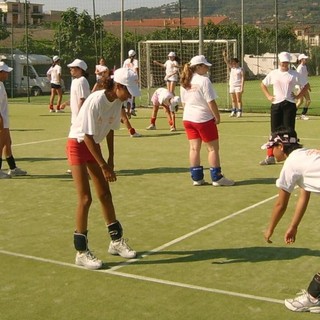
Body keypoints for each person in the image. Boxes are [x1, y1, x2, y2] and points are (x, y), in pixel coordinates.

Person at [67, 67, 140, 270]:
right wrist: (103, 165)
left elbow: (109, 131)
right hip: (78, 144)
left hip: (93, 146)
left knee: (105, 195)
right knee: (85, 198)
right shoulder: (96, 100)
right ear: (118, 86)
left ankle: (116, 242)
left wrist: (111, 159)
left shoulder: (117, 102)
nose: (130, 95)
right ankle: (81, 252)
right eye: (128, 90)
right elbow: (87, 137)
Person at [262, 128, 320, 312]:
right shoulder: (305, 156)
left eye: (272, 147)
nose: (271, 152)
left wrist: (269, 228)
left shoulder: (292, 163)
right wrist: (293, 226)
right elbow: (304, 194)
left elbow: (281, 204)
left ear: (281, 146)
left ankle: (313, 297)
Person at [180, 55, 234, 187]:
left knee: (194, 148)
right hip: (203, 118)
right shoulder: (204, 80)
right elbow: (211, 101)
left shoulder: (185, 80)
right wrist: (217, 116)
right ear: (198, 67)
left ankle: (197, 178)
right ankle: (217, 177)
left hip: (188, 118)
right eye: (205, 66)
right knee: (212, 149)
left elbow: (183, 102)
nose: (207, 68)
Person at [259, 51, 309, 165]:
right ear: (279, 62)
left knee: (290, 131)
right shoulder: (273, 73)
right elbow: (263, 84)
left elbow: (305, 85)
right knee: (274, 131)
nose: (284, 64)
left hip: (289, 105)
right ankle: (270, 156)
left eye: (286, 62)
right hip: (276, 104)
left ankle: (291, 156)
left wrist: (298, 96)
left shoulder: (294, 74)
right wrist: (268, 96)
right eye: (283, 62)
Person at [0, 61, 27, 179]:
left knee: (7, 143)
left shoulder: (1, 85)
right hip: (1, 121)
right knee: (0, 145)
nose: (7, 74)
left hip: (4, 121)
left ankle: (13, 168)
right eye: (5, 72)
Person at [92, 74, 141, 138]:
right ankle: (132, 132)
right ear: (118, 86)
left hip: (95, 139)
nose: (130, 96)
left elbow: (110, 127)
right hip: (84, 140)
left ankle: (131, 131)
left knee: (123, 118)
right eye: (128, 92)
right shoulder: (99, 99)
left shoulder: (118, 100)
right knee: (124, 118)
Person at [67, 59, 91, 125]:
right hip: (75, 118)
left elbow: (82, 99)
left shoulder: (82, 81)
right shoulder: (75, 81)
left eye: (73, 67)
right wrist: (65, 103)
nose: (70, 69)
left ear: (80, 69)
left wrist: (79, 117)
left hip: (80, 119)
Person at [222, 50, 245, 117]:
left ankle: (239, 111)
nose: (233, 64)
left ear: (237, 63)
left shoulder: (241, 69)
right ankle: (233, 111)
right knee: (233, 99)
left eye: (235, 63)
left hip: (238, 86)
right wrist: (224, 56)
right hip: (232, 85)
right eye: (232, 63)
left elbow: (243, 78)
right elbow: (226, 62)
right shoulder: (232, 68)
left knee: (238, 99)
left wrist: (242, 87)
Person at [123, 50, 139, 116]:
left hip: (126, 78)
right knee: (133, 94)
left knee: (127, 93)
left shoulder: (126, 61)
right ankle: (131, 109)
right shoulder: (135, 61)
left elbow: (123, 69)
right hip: (133, 78)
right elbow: (136, 69)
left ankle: (127, 108)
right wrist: (138, 78)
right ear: (135, 55)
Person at [296, 53, 311, 120]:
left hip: (304, 86)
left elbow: (305, 78)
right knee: (301, 102)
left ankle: (302, 115)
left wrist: (308, 86)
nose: (306, 60)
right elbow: (297, 78)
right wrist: (299, 87)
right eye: (305, 59)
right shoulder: (299, 68)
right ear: (301, 60)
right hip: (301, 87)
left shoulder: (304, 67)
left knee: (307, 101)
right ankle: (292, 114)